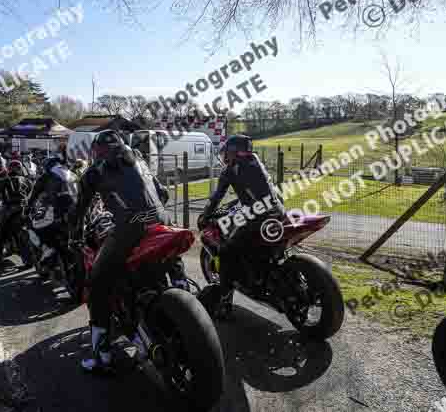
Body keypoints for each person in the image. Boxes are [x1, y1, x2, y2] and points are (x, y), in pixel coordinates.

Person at [71, 130, 172, 373]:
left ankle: (101, 356)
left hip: (130, 231)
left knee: (96, 285)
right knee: (163, 269)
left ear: (98, 150)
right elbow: (164, 194)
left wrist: (73, 235)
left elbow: (79, 212)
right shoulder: (139, 159)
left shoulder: (95, 171)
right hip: (162, 224)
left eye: (96, 151)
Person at [197, 135, 285, 318]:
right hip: (277, 211)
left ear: (233, 152)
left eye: (226, 153)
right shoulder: (255, 162)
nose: (225, 157)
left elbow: (216, 197)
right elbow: (252, 194)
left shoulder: (231, 169)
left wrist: (205, 216)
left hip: (257, 216)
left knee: (226, 251)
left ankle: (225, 305)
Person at [0, 159, 33, 266]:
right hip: (26, 209)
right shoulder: (27, 180)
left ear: (9, 169)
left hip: (10, 210)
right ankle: (28, 260)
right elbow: (32, 194)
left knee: (1, 232)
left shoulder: (3, 180)